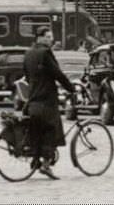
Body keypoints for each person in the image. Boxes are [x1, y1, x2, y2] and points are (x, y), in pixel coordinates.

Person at [23, 26, 75, 180]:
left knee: (37, 131)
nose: (51, 39)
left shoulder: (28, 53)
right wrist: (70, 88)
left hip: (32, 101)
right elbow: (57, 73)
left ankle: (35, 160)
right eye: (49, 36)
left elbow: (26, 75)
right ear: (41, 38)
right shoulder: (45, 53)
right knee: (53, 130)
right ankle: (46, 165)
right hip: (46, 101)